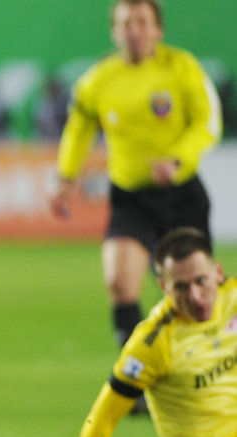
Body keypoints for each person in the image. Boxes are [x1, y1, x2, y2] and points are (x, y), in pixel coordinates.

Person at [50, 0, 222, 410]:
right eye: (126, 23)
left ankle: (209, 372)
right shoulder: (99, 80)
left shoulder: (181, 68)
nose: (134, 30)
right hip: (130, 199)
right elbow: (78, 129)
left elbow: (207, 123)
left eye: (142, 21)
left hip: (181, 195)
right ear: (114, 31)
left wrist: (177, 159)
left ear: (158, 29)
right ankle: (138, 385)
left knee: (195, 293)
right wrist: (65, 179)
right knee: (118, 282)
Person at [69, 227, 237, 437]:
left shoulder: (232, 298)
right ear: (163, 286)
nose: (196, 297)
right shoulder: (154, 343)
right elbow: (102, 418)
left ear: (218, 273)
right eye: (181, 287)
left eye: (201, 281)